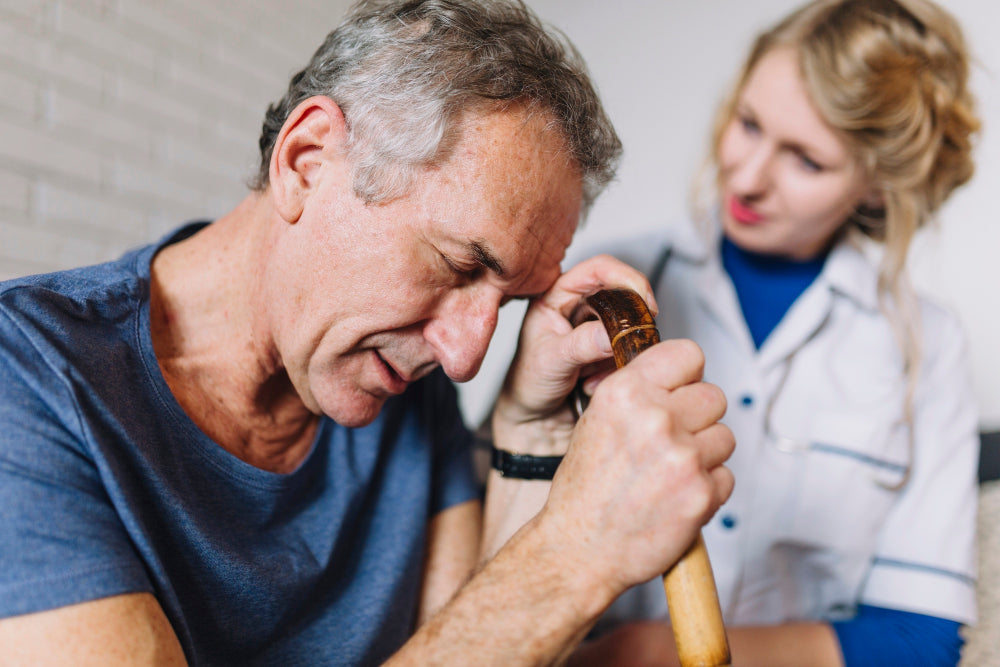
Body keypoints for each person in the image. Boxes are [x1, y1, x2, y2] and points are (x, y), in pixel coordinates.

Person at [0, 0, 736, 664]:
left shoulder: (392, 378)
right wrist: (578, 551)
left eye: (508, 302)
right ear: (307, 161)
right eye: (456, 264)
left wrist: (531, 424)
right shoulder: (25, 381)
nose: (465, 356)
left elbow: (475, 639)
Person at [563, 0, 982, 665]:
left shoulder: (927, 345)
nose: (749, 177)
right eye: (749, 123)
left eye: (806, 161)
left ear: (875, 186)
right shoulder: (608, 289)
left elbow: (918, 638)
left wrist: (647, 651)